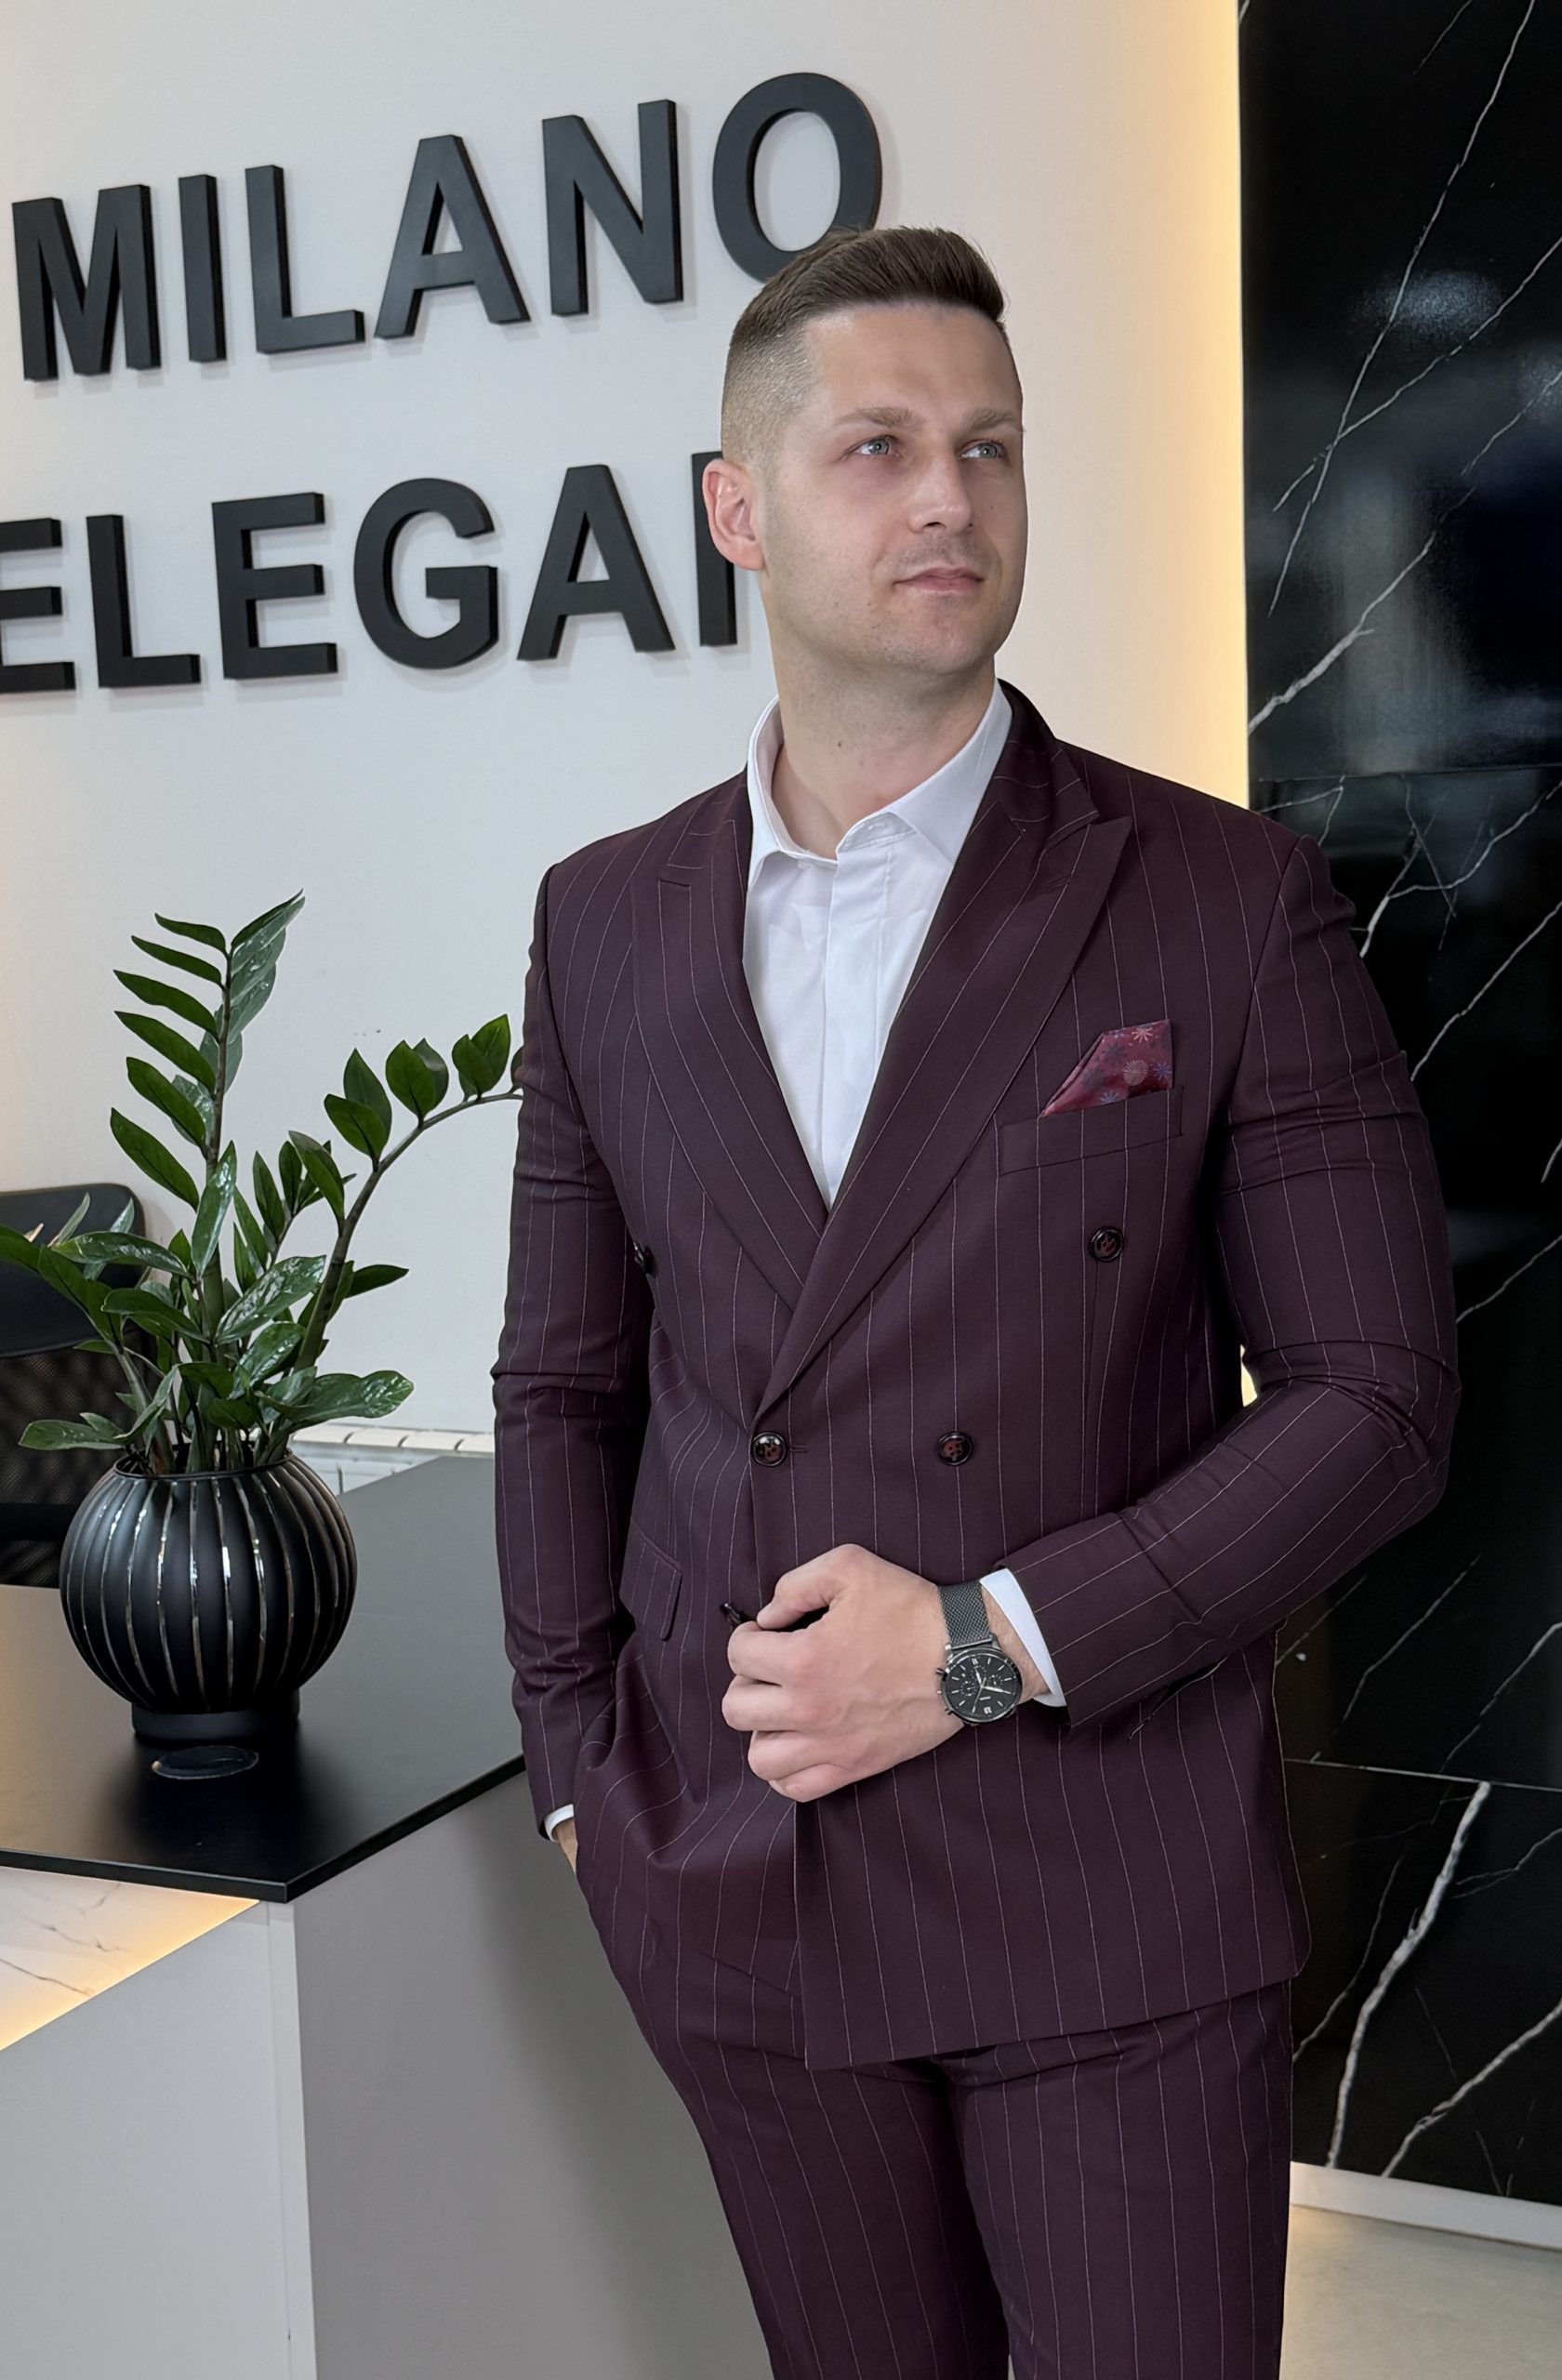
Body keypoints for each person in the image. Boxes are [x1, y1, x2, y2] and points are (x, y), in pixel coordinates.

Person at [490, 221, 1458, 2379]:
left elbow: (1378, 1397)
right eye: (880, 447)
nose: (951, 496)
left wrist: (982, 1643)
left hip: (1109, 1877)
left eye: (990, 447)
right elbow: (562, 1381)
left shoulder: (1219, 896)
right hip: (740, 1870)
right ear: (737, 509)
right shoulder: (605, 919)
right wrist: (581, 1775)